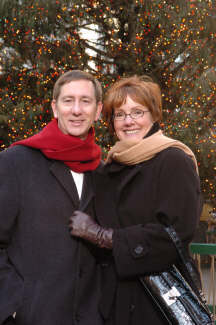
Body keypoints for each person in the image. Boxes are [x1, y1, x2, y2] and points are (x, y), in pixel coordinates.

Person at [69, 75, 202, 324]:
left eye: (137, 112)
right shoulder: (109, 167)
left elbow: (176, 233)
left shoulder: (173, 160)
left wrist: (103, 237)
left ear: (154, 116)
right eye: (120, 114)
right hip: (111, 303)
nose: (128, 121)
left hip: (157, 304)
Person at [0, 70, 104, 325]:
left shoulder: (104, 171)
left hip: (92, 317)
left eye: (85, 101)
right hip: (33, 316)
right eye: (68, 101)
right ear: (55, 108)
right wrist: (10, 306)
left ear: (98, 110)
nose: (76, 110)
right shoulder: (16, 162)